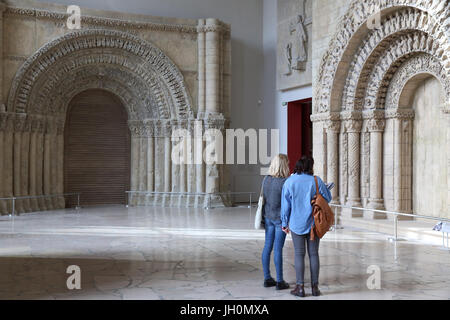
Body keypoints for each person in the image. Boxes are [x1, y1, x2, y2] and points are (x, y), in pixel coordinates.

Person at [281, 155, 331, 297]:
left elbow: (286, 206)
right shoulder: (316, 181)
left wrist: (284, 223)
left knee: (299, 254)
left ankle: (300, 287)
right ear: (310, 167)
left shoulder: (289, 182)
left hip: (296, 223)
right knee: (314, 254)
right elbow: (327, 198)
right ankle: (315, 288)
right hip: (313, 224)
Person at [261, 154, 291, 290]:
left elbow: (263, 198)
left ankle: (267, 278)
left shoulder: (266, 179)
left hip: (268, 216)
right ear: (284, 165)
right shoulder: (286, 182)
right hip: (280, 219)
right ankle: (279, 281)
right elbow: (287, 204)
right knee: (278, 249)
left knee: (268, 247)